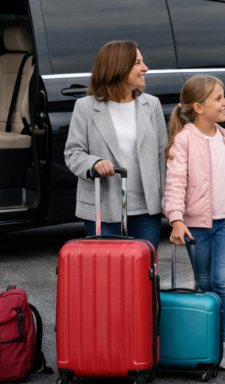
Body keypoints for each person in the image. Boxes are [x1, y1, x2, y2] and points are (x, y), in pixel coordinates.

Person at [165, 75, 225, 371]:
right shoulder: (184, 139)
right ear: (198, 107)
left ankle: (221, 342)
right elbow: (174, 183)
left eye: (224, 97)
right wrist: (176, 220)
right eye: (218, 98)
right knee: (204, 284)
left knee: (222, 280)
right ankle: (205, 340)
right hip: (196, 226)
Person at [64, 40, 168, 251]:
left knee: (145, 274)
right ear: (119, 67)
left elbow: (162, 157)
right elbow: (73, 153)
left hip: (147, 210)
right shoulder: (85, 107)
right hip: (103, 208)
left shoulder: (152, 104)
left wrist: (169, 202)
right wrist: (94, 163)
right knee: (107, 277)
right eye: (138, 63)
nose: (145, 68)